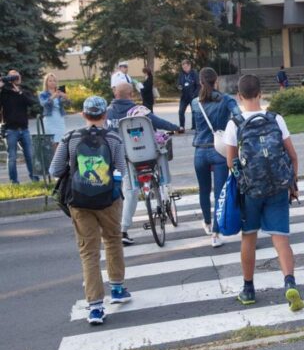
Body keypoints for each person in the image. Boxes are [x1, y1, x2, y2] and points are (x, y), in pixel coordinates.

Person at [223, 74, 304, 311]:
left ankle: (248, 289)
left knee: (249, 238)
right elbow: (293, 155)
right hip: (278, 187)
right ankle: (290, 283)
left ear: (239, 96)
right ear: (261, 94)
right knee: (281, 239)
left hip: (250, 191)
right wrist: (293, 184)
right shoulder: (276, 119)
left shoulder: (234, 124)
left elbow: (230, 162)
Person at [49, 96, 131, 325]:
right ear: (105, 115)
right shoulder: (114, 138)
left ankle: (95, 306)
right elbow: (122, 169)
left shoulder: (70, 138)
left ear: (84, 115)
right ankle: (117, 289)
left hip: (79, 201)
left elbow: (55, 170)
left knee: (89, 252)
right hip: (108, 200)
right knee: (113, 240)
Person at [106, 82, 179, 246]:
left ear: (115, 95)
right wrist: (176, 127)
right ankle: (164, 194)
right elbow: (159, 122)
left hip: (127, 158)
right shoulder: (139, 111)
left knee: (130, 191)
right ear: (131, 95)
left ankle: (123, 229)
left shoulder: (109, 113)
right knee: (162, 161)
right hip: (148, 155)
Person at [191, 67, 240, 248]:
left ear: (200, 82)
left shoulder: (195, 102)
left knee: (203, 190)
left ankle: (207, 222)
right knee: (220, 193)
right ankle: (215, 234)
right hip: (219, 149)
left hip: (200, 151)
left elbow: (196, 126)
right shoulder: (226, 99)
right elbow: (239, 117)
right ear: (216, 81)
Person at [0, 70, 40, 184]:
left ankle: (35, 179)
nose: (17, 78)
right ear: (9, 79)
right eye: (13, 76)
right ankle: (14, 182)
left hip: (24, 129)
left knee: (30, 155)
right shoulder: (4, 93)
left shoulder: (24, 91)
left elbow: (32, 103)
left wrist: (20, 93)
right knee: (12, 157)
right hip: (10, 129)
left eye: (18, 76)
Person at [39, 73, 70, 150]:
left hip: (59, 118)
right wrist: (52, 97)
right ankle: (54, 157)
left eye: (54, 81)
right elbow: (43, 104)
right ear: (46, 82)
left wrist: (66, 98)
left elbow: (68, 105)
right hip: (49, 119)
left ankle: (60, 156)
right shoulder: (43, 94)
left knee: (61, 140)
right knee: (52, 141)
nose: (52, 82)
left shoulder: (59, 92)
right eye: (50, 81)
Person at [177, 60, 199, 133]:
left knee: (194, 112)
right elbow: (179, 83)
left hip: (193, 96)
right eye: (183, 67)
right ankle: (182, 127)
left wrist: (194, 94)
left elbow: (198, 86)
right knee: (181, 111)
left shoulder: (194, 73)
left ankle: (194, 127)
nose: (184, 68)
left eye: (186, 67)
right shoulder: (181, 74)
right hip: (184, 97)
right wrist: (179, 86)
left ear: (189, 66)